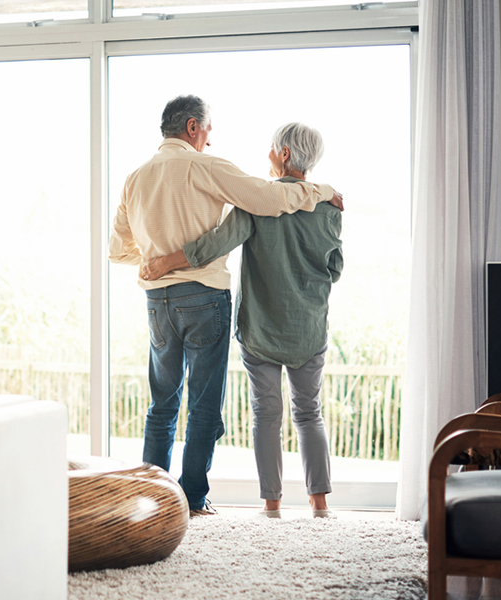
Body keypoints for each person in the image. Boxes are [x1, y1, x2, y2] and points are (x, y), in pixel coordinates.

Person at [109, 98, 343, 517]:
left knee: (165, 404)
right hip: (231, 304)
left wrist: (157, 258)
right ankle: (200, 499)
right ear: (194, 127)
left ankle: (158, 501)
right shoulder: (210, 168)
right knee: (219, 405)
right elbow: (314, 246)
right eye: (209, 130)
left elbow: (120, 250)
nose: (211, 138)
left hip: (172, 302)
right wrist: (323, 191)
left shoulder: (135, 177)